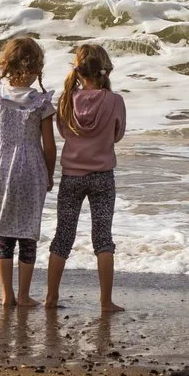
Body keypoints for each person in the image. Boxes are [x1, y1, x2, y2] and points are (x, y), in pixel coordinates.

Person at [0, 35, 56, 308]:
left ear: (7, 64)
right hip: (30, 170)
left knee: (4, 236)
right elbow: (50, 146)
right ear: (35, 69)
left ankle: (6, 295)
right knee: (27, 234)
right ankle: (24, 295)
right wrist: (50, 174)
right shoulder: (40, 102)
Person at [46, 41, 126, 315]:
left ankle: (51, 298)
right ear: (105, 71)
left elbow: (63, 132)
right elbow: (117, 134)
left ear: (78, 71)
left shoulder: (66, 99)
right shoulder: (115, 101)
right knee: (103, 239)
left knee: (62, 238)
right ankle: (106, 303)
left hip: (71, 176)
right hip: (103, 176)